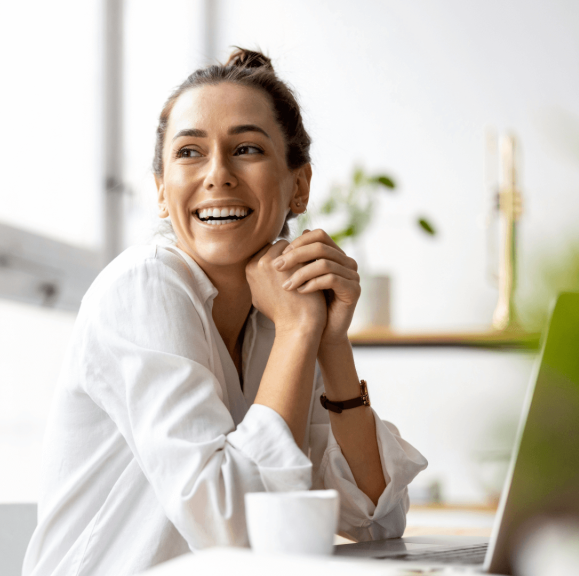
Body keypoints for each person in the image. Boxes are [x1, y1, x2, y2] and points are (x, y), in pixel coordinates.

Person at [21, 48, 427, 576]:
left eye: (247, 149)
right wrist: (299, 331)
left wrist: (328, 340)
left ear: (298, 186)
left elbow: (376, 519)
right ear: (163, 192)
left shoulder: (277, 315)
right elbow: (231, 529)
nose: (218, 174)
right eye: (189, 152)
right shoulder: (145, 287)